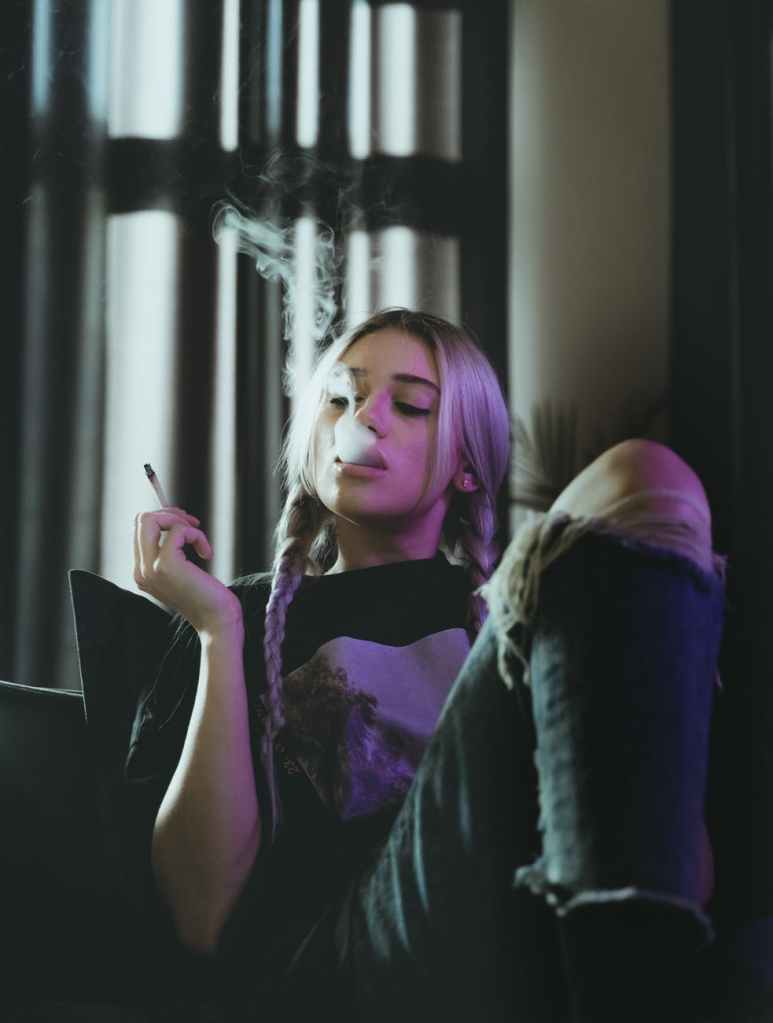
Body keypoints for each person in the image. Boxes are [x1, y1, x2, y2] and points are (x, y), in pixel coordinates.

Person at [126, 307, 727, 1022]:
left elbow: (682, 866)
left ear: (468, 466)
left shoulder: (511, 619)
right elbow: (202, 918)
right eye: (341, 397)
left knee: (645, 476)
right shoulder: (231, 615)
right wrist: (218, 631)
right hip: (335, 969)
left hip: (515, 930)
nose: (365, 418)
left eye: (410, 405)